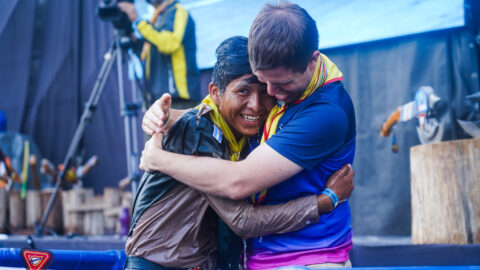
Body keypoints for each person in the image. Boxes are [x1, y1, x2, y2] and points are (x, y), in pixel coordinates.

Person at [140, 1, 356, 269]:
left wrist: (157, 159)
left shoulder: (325, 113)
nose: (271, 95)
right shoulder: (281, 84)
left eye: (281, 84)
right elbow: (215, 110)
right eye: (262, 82)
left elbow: (237, 184)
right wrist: (165, 114)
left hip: (309, 258)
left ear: (312, 61)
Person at [118, 0, 201, 109]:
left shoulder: (178, 11)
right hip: (158, 97)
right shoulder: (158, 17)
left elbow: (170, 44)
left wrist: (138, 21)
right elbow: (148, 53)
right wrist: (133, 38)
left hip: (178, 98)